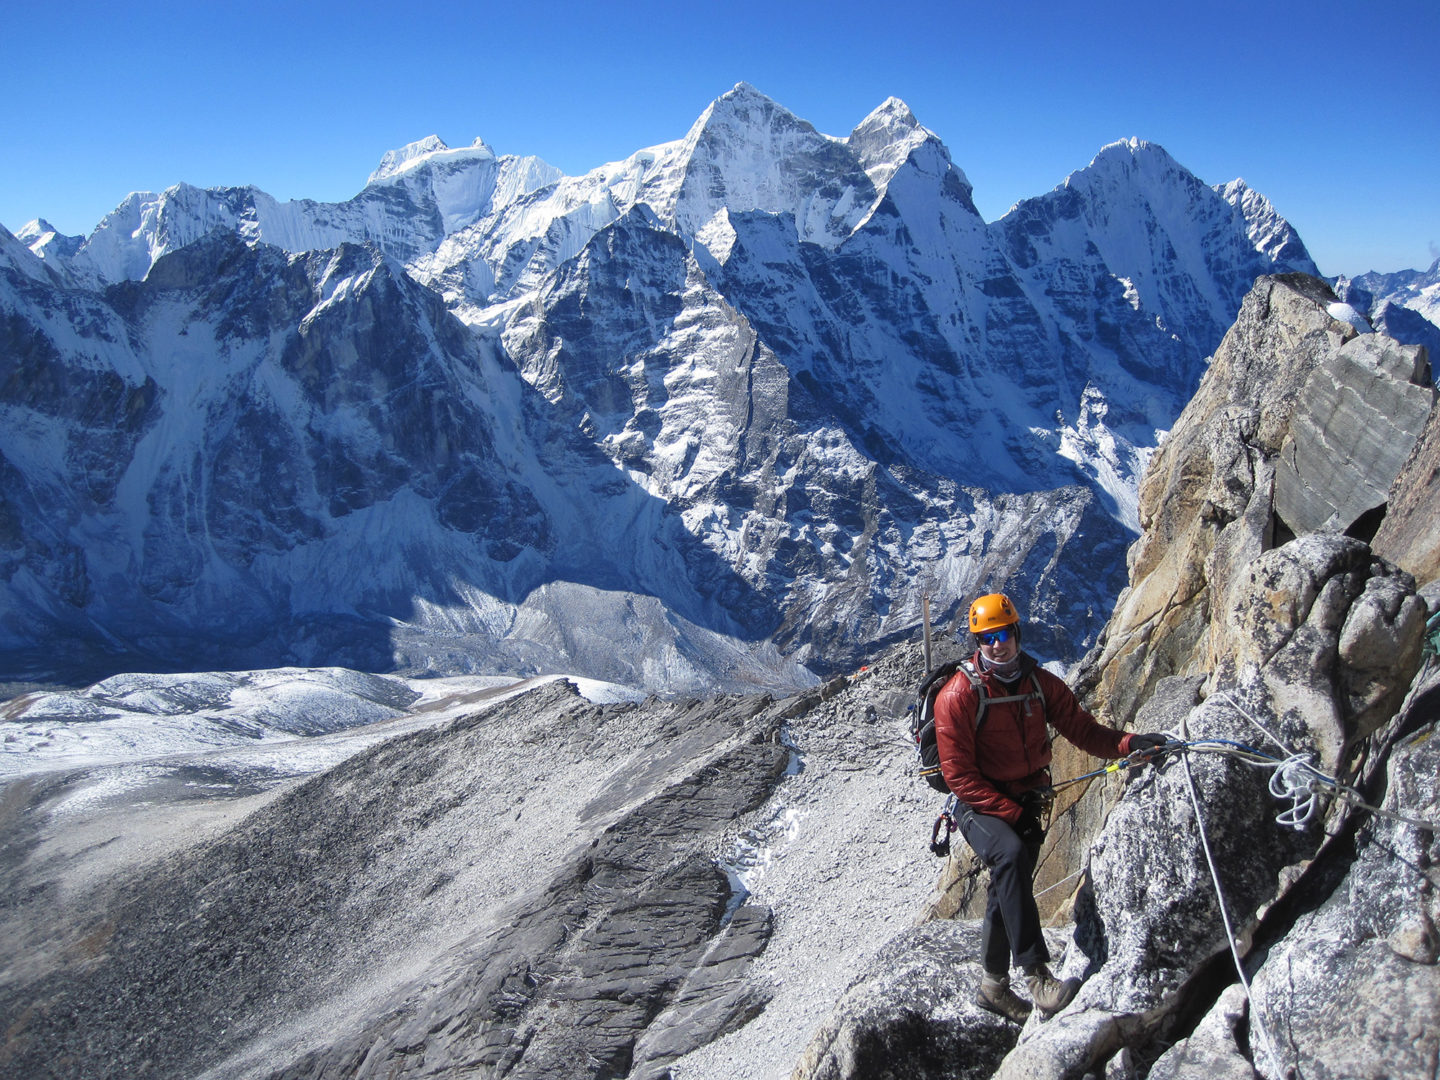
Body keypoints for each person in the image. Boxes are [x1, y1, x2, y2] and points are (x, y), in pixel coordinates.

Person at [934, 592, 1168, 1023]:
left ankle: (992, 986)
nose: (996, 645)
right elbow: (958, 776)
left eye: (1003, 634)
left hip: (1027, 799)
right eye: (986, 638)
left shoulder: (1040, 684)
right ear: (976, 643)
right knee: (1008, 855)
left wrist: (1129, 743)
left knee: (1009, 884)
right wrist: (1008, 810)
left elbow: (1082, 730)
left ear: (1017, 633)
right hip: (978, 804)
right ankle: (1037, 976)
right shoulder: (958, 695)